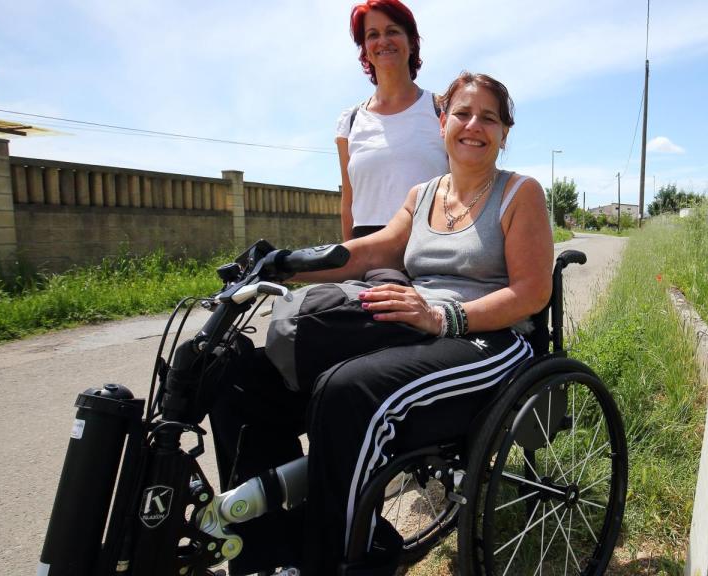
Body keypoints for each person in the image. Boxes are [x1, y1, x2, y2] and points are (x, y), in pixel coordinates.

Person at [209, 72, 552, 575]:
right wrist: (288, 262)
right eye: (462, 113)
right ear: (442, 123)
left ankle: (347, 561)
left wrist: (443, 315)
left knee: (350, 391)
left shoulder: (519, 193)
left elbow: (531, 293)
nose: (473, 125)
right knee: (238, 375)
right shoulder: (423, 194)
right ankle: (268, 548)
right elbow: (369, 251)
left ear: (504, 132)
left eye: (489, 117)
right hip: (415, 325)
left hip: (490, 341)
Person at [336, 0, 448, 241]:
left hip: (431, 252)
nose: (383, 41)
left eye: (393, 31)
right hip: (367, 256)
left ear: (411, 41)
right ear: (365, 49)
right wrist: (349, 265)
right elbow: (349, 206)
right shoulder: (350, 121)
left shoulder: (443, 110)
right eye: (372, 34)